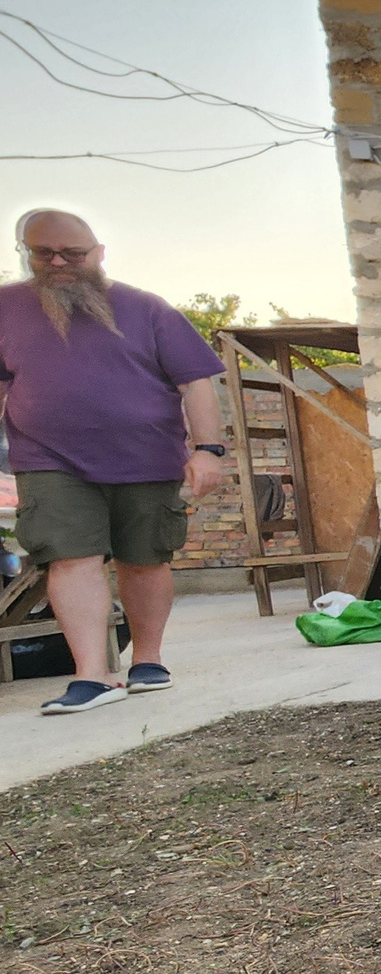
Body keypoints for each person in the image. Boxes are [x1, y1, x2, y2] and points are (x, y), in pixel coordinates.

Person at [0, 210, 228, 715]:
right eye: (43, 252)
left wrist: (208, 450)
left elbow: (196, 382)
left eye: (72, 253)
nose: (58, 262)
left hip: (145, 457)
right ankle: (92, 674)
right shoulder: (5, 307)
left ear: (98, 253)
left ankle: (147, 660)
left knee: (144, 558)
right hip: (48, 458)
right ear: (26, 252)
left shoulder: (147, 309)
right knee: (69, 556)